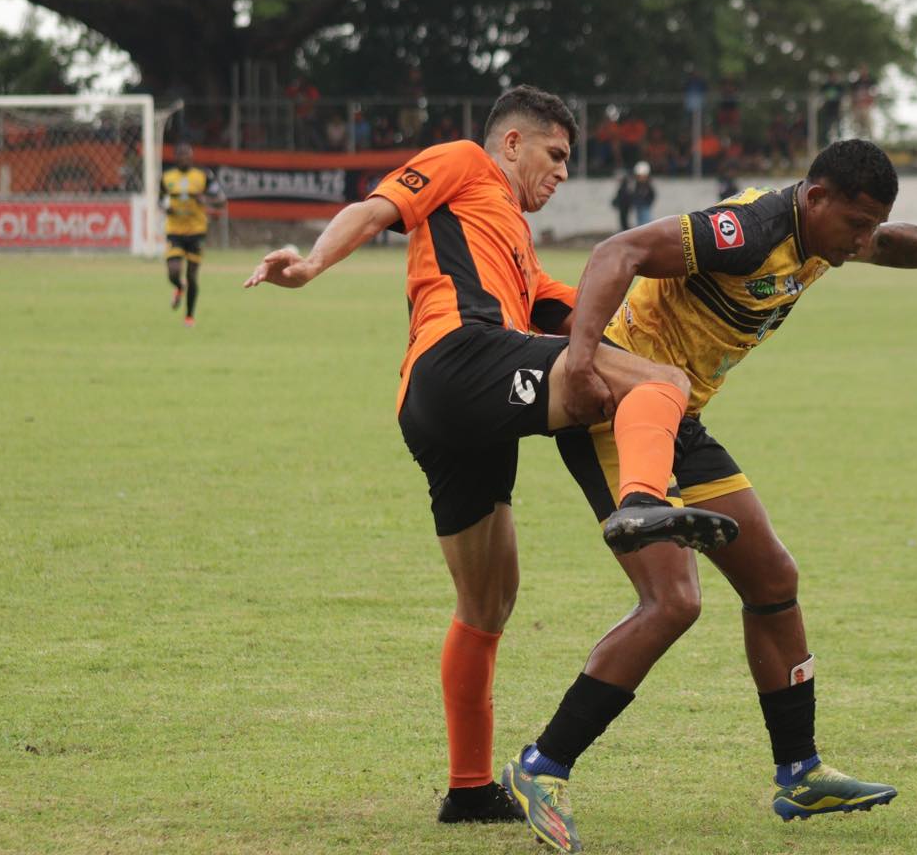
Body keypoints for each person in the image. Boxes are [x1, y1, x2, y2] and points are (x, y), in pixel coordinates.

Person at [500, 139, 917, 853]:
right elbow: (616, 253)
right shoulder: (752, 229)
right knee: (675, 602)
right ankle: (540, 767)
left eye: (869, 226)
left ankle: (800, 772)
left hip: (681, 418)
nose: (861, 241)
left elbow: (894, 244)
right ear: (814, 199)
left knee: (773, 580)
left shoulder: (829, 236)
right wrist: (579, 364)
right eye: (854, 223)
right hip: (618, 408)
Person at [242, 85, 738, 826]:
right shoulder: (463, 163)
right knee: (658, 385)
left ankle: (469, 789)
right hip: (461, 358)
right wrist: (312, 264)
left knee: (488, 601)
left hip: (445, 411)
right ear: (512, 143)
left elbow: (576, 313)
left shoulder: (515, 243)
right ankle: (641, 503)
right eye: (556, 154)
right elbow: (375, 209)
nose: (564, 172)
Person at [161, 141, 225, 327]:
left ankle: (189, 316)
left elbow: (221, 201)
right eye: (180, 155)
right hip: (174, 231)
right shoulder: (167, 177)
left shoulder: (203, 176)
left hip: (197, 231)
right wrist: (165, 208)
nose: (184, 158)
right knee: (173, 272)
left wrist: (204, 199)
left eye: (187, 155)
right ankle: (178, 287)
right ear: (176, 158)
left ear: (191, 156)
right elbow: (159, 199)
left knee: (192, 275)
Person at [630, 161, 656, 225]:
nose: (641, 178)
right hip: (639, 207)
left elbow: (651, 196)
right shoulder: (635, 185)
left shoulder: (647, 187)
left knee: (645, 222)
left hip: (645, 207)